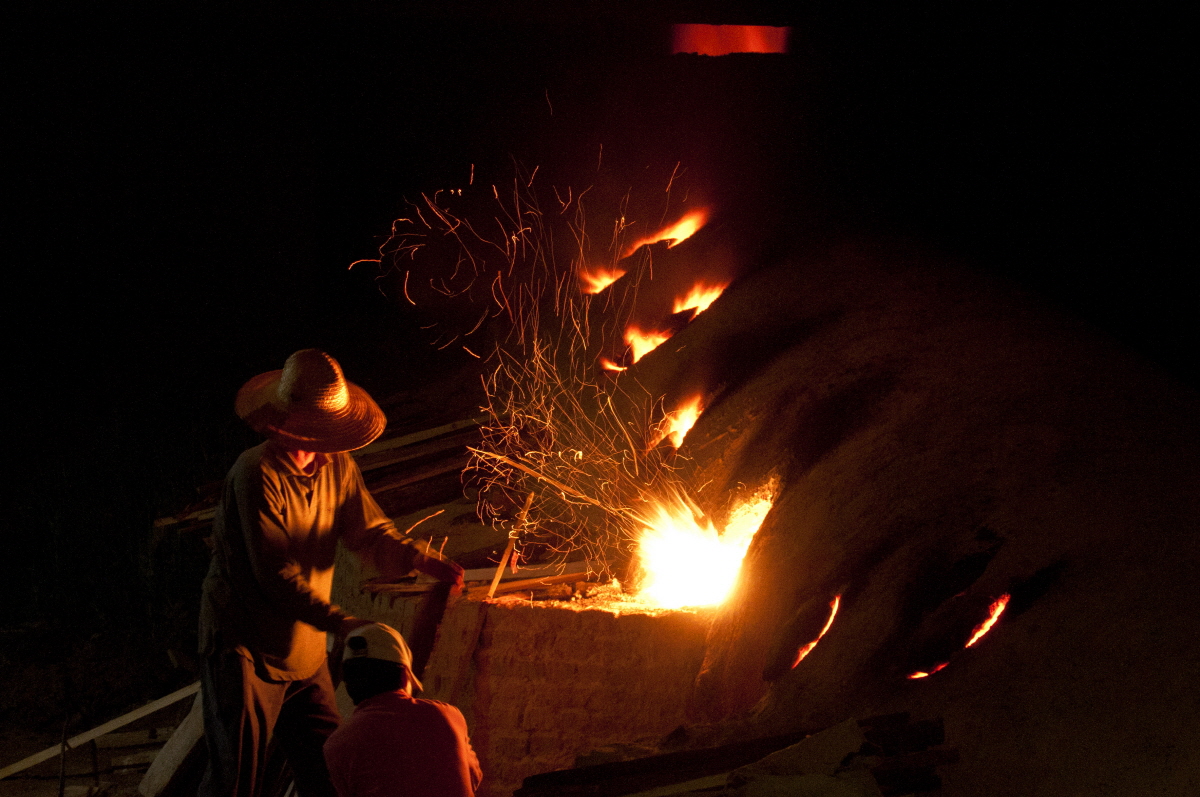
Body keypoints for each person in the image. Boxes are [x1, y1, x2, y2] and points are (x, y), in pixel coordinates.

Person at [198, 349, 464, 797]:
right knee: (236, 778)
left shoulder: (337, 464)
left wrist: (420, 558)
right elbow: (274, 574)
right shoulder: (256, 474)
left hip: (304, 648)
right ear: (286, 424)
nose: (328, 447)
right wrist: (341, 622)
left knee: (326, 769)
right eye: (318, 433)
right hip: (245, 647)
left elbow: (369, 531)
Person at [324, 623, 482, 797]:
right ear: (404, 676)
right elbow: (473, 778)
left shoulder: (337, 746)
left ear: (348, 685)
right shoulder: (448, 716)